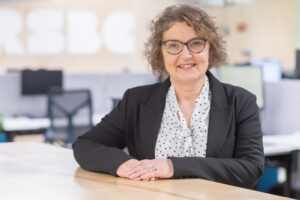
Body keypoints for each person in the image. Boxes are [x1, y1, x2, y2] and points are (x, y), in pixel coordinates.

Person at [73, 4, 264, 188]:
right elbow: (86, 145)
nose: (186, 54)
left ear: (210, 48)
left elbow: (251, 169)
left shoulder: (241, 102)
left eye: (196, 43)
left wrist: (173, 166)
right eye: (174, 45)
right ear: (161, 53)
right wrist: (123, 165)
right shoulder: (136, 101)